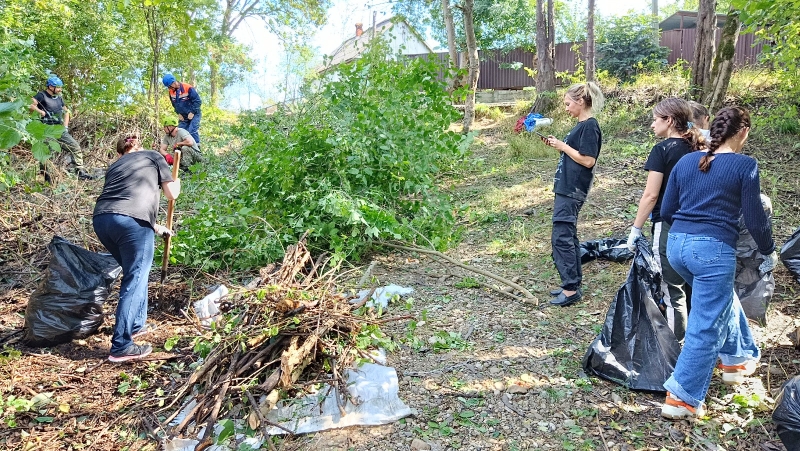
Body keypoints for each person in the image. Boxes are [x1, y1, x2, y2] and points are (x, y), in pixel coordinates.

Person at [659, 106, 777, 419]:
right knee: (705, 325)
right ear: (743, 132)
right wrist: (768, 250)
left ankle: (735, 361)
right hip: (711, 251)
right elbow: (754, 217)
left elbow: (667, 208)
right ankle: (680, 397)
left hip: (678, 247)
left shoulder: (686, 161)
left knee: (721, 298)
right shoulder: (744, 165)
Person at [93, 134, 181, 362]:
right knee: (136, 277)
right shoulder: (152, 156)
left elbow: (123, 202)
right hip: (132, 223)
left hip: (102, 221)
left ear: (120, 152)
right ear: (138, 147)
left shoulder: (115, 166)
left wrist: (156, 227)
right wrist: (176, 181)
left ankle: (136, 324)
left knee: (135, 271)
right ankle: (121, 345)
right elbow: (171, 194)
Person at [625, 98, 705, 341]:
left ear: (669, 121)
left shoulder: (662, 150)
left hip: (669, 224)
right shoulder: (700, 148)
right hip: (701, 224)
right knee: (695, 286)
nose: (652, 125)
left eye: (655, 119)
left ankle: (673, 348)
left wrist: (636, 228)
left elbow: (651, 195)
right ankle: (697, 340)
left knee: (673, 289)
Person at [543, 82, 605, 307]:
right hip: (565, 188)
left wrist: (562, 146)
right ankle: (572, 282)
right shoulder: (580, 126)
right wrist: (558, 145)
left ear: (580, 101)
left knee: (562, 237)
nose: (566, 108)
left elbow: (588, 160)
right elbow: (574, 154)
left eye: (568, 103)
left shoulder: (590, 126)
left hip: (573, 189)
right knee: (566, 235)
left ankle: (571, 290)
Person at [29, 75, 94, 180]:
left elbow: (66, 111)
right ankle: (45, 176)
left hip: (59, 129)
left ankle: (80, 172)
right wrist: (40, 111)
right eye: (58, 87)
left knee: (75, 147)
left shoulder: (59, 98)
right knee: (45, 152)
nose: (60, 89)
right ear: (51, 87)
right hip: (46, 129)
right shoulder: (42, 95)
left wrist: (65, 127)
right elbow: (30, 105)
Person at [162, 73, 202, 145]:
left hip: (194, 113)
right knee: (180, 131)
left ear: (173, 83)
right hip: (183, 116)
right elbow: (174, 104)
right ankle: (181, 151)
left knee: (192, 130)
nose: (169, 88)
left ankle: (197, 149)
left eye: (170, 87)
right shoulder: (171, 92)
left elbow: (198, 101)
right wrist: (178, 113)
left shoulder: (187, 87)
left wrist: (192, 112)